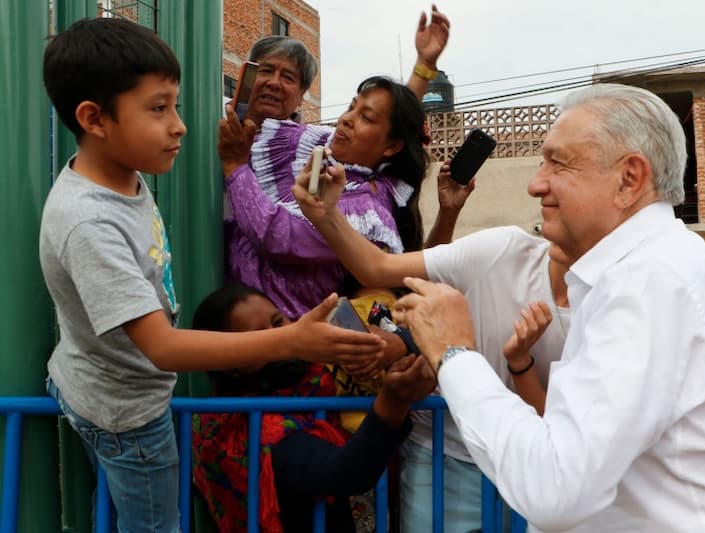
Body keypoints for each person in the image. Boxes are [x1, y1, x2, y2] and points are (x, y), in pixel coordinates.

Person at [40, 18, 384, 532]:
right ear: (94, 119)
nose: (179, 125)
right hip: (127, 411)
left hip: (101, 380)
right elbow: (162, 347)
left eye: (174, 105)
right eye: (158, 109)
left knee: (114, 511)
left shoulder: (122, 174)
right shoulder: (90, 222)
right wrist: (291, 338)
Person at [388, 83, 705, 531]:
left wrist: (455, 355)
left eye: (559, 162)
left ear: (629, 179)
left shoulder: (648, 278)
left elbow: (555, 485)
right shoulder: (644, 267)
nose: (536, 183)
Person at [293, 167, 570, 529]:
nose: (538, 186)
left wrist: (517, 363)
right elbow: (378, 268)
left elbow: (565, 428)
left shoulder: (621, 302)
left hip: (529, 465)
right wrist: (326, 213)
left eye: (564, 168)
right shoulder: (504, 248)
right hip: (444, 455)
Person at [222, 9, 473, 322]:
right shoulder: (323, 149)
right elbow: (392, 115)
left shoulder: (364, 208)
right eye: (351, 107)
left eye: (288, 77)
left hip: (286, 341)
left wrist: (234, 167)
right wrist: (423, 67)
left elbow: (279, 237)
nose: (346, 120)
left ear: (301, 96)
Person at [190, 283, 435, 533]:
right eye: (259, 336)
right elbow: (345, 472)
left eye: (278, 323)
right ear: (229, 364)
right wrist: (394, 399)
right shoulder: (244, 430)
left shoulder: (319, 364)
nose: (279, 336)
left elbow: (409, 331)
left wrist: (397, 344)